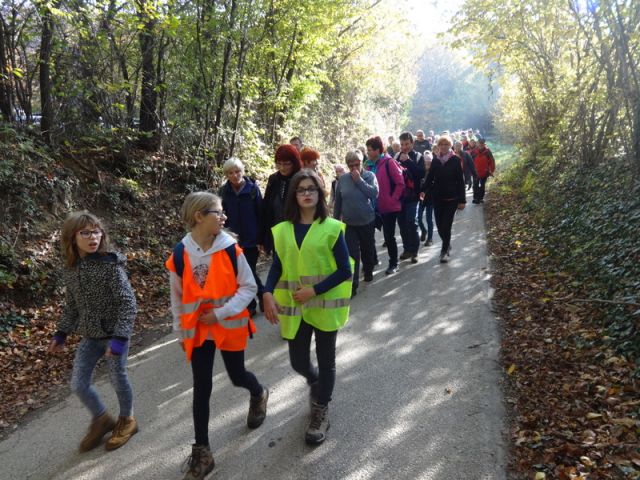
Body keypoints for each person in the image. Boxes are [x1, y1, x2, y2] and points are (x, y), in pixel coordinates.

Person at [166, 192, 268, 480]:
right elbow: (177, 298)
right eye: (218, 212)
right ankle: (203, 451)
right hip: (199, 331)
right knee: (202, 387)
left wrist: (221, 313)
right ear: (199, 216)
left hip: (229, 325)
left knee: (237, 376)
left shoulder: (230, 249)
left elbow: (248, 288)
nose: (224, 217)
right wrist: (179, 331)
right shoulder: (179, 255)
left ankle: (259, 393)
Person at [262, 169, 353, 445]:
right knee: (298, 360)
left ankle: (320, 410)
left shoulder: (332, 228)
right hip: (296, 309)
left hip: (324, 306)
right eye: (301, 189)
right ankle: (315, 383)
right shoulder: (283, 230)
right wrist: (266, 292)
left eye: (311, 189)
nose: (306, 193)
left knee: (327, 362)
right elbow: (278, 264)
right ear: (294, 195)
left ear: (320, 193)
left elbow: (344, 270)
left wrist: (315, 289)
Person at [48, 211, 138, 453]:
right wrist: (61, 334)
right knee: (78, 384)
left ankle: (127, 420)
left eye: (96, 231)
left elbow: (128, 303)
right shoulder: (72, 269)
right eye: (85, 232)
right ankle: (101, 419)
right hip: (90, 336)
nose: (93, 237)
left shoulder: (110, 266)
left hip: (114, 336)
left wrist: (120, 338)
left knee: (117, 378)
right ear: (72, 238)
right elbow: (73, 306)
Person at [219, 157, 264, 316]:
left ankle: (259, 298)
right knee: (240, 273)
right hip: (233, 240)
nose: (234, 175)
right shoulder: (224, 192)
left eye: (237, 171)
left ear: (242, 172)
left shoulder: (252, 189)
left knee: (249, 271)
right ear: (226, 174)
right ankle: (256, 300)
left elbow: (261, 215)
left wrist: (261, 239)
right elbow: (221, 215)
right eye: (230, 173)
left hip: (252, 239)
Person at [333, 150, 379, 296]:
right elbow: (338, 203)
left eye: (356, 164)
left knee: (367, 248)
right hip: (349, 223)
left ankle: (369, 269)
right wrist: (335, 223)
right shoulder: (343, 180)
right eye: (350, 165)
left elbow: (374, 193)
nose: (354, 168)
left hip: (367, 220)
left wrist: (359, 180)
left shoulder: (369, 176)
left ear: (362, 163)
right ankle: (353, 285)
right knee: (352, 254)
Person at [422, 135, 466, 263]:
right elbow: (430, 178)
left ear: (450, 146)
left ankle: (444, 250)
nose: (443, 147)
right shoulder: (436, 161)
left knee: (446, 226)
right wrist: (422, 190)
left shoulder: (456, 160)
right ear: (438, 146)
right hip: (438, 198)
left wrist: (462, 200)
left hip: (452, 199)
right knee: (440, 227)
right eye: (441, 144)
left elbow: (460, 181)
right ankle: (447, 243)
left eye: (446, 144)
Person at [364, 135, 404, 275]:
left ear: (377, 150)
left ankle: (394, 263)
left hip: (388, 207)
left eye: (369, 149)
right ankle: (372, 261)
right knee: (368, 236)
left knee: (388, 237)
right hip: (371, 207)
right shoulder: (367, 165)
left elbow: (400, 182)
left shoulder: (388, 162)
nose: (367, 152)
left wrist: (392, 200)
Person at [259, 144, 303, 254]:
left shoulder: (302, 178)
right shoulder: (273, 179)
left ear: (294, 163)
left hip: (297, 230)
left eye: (286, 164)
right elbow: (267, 207)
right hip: (277, 230)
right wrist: (264, 237)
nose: (282, 167)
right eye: (279, 164)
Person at [395, 131, 425, 263]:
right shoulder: (396, 156)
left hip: (413, 197)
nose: (404, 147)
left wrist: (408, 161)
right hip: (400, 197)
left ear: (412, 143)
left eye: (407, 144)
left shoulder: (418, 156)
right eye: (402, 144)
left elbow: (421, 174)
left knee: (411, 223)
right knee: (402, 224)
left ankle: (415, 251)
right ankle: (407, 249)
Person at [418, 149, 434, 246]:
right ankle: (424, 231)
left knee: (429, 219)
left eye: (429, 163)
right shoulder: (420, 172)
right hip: (420, 199)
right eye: (425, 163)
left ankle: (430, 238)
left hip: (430, 199)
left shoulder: (434, 173)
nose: (427, 165)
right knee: (418, 218)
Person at [472, 138, 496, 204]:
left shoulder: (488, 151)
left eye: (482, 143)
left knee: (482, 185)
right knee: (475, 185)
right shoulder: (474, 151)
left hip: (485, 172)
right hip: (475, 172)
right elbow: (470, 161)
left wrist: (491, 170)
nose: (481, 145)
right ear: (477, 143)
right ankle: (475, 198)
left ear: (484, 144)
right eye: (479, 143)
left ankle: (480, 198)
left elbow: (492, 161)